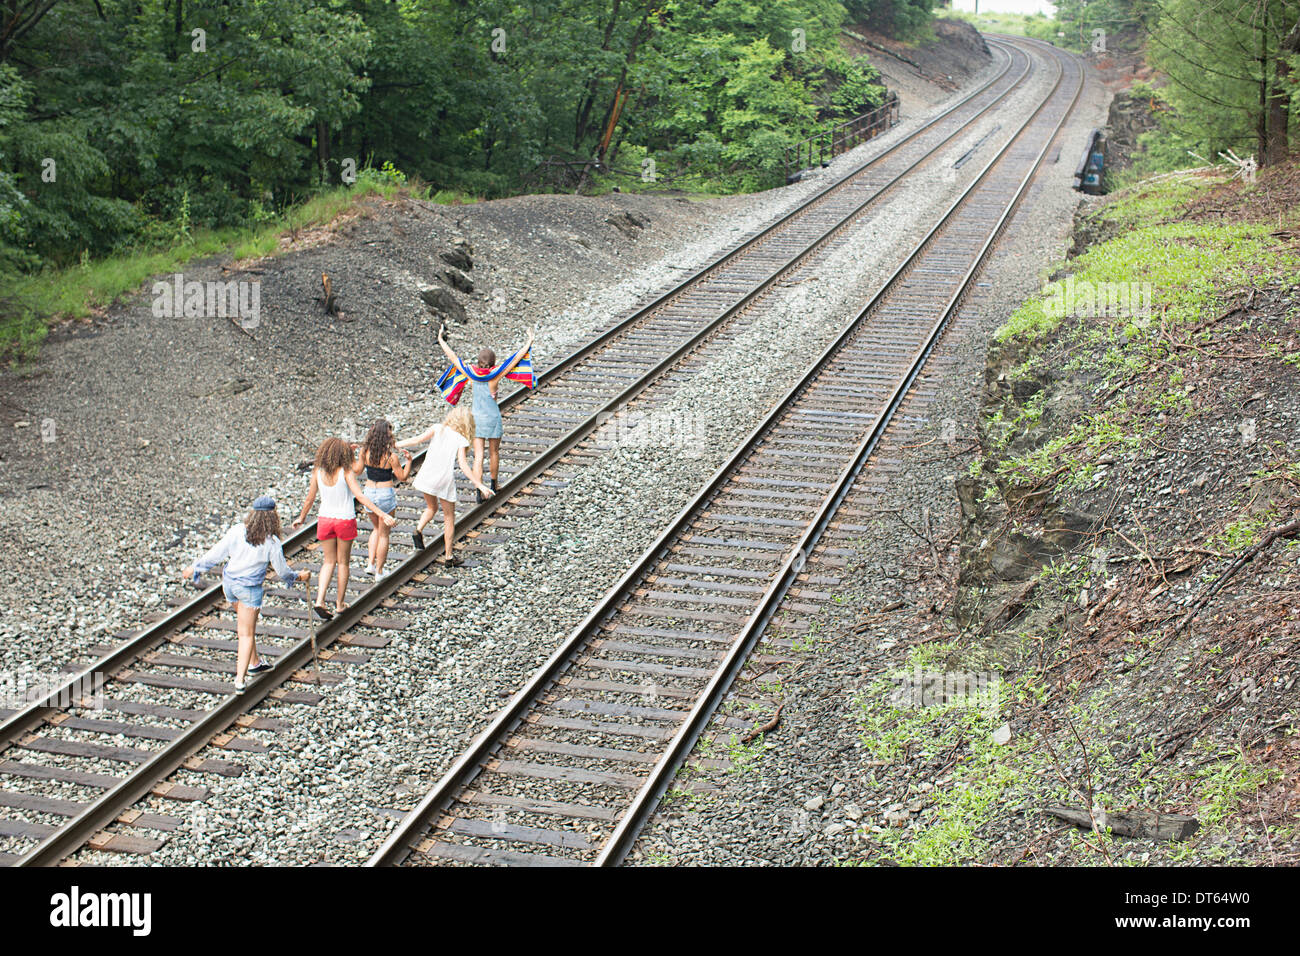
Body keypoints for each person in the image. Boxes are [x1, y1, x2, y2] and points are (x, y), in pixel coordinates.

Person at [182, 496, 308, 695]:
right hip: (249, 590)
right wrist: (298, 576)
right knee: (246, 633)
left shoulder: (237, 531)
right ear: (273, 517)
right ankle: (240, 680)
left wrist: (195, 566)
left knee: (245, 627)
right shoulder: (272, 542)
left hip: (230, 585)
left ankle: (255, 662)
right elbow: (282, 572)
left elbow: (217, 553)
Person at [292, 437, 395, 619]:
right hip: (344, 520)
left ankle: (319, 600)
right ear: (343, 455)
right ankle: (340, 604)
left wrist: (301, 518)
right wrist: (382, 514)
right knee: (343, 563)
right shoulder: (346, 472)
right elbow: (361, 497)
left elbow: (310, 498)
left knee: (328, 562)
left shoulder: (318, 471)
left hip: (325, 520)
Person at [435, 324, 535, 501]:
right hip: (493, 418)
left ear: (478, 360)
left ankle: (478, 490)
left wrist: (441, 340)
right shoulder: (495, 375)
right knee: (494, 452)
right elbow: (515, 358)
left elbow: (453, 357)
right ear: (493, 362)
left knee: (478, 455)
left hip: (476, 419)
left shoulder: (471, 373)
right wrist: (529, 340)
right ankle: (494, 484)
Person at [397, 403, 492, 566]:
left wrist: (397, 444)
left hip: (427, 475)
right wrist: (480, 485)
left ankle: (418, 529)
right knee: (449, 517)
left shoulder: (437, 428)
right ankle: (449, 557)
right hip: (443, 479)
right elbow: (463, 465)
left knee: (431, 508)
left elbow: (417, 440)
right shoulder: (461, 439)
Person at [352, 419, 412, 580]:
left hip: (369, 492)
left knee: (376, 529)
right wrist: (409, 461)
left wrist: (351, 456)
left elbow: (357, 471)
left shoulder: (365, 451)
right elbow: (403, 477)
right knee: (384, 534)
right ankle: (379, 571)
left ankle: (370, 564)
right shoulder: (391, 457)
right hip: (385, 493)